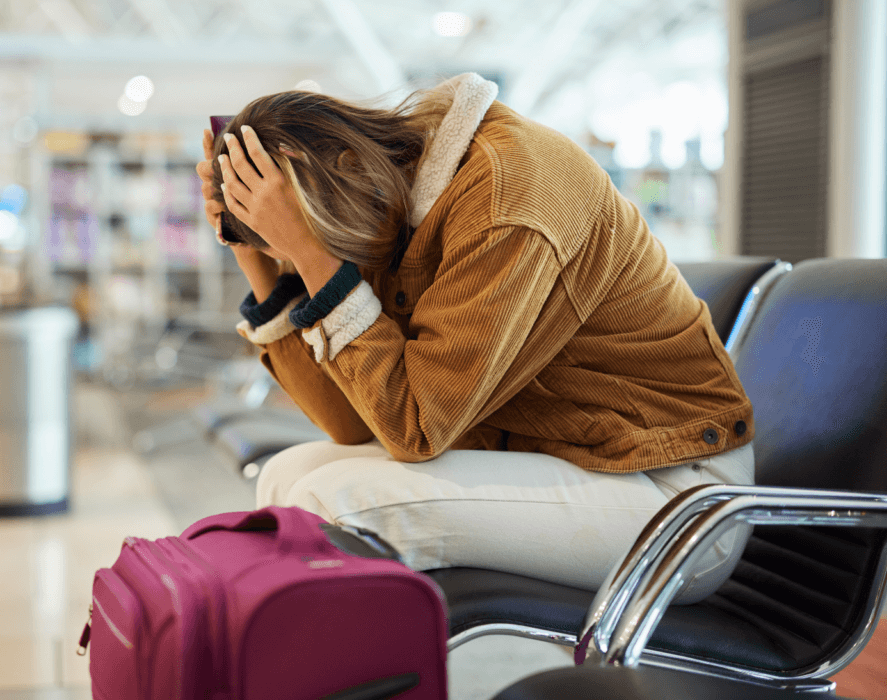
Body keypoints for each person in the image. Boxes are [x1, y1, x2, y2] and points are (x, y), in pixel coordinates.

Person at [194, 73, 754, 604]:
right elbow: (351, 422)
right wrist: (258, 256)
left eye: (292, 238)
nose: (292, 256)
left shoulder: (508, 198)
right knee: (287, 474)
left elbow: (415, 428)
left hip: (674, 494)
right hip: (568, 456)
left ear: (343, 166)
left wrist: (315, 259)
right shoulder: (386, 201)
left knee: (333, 503)